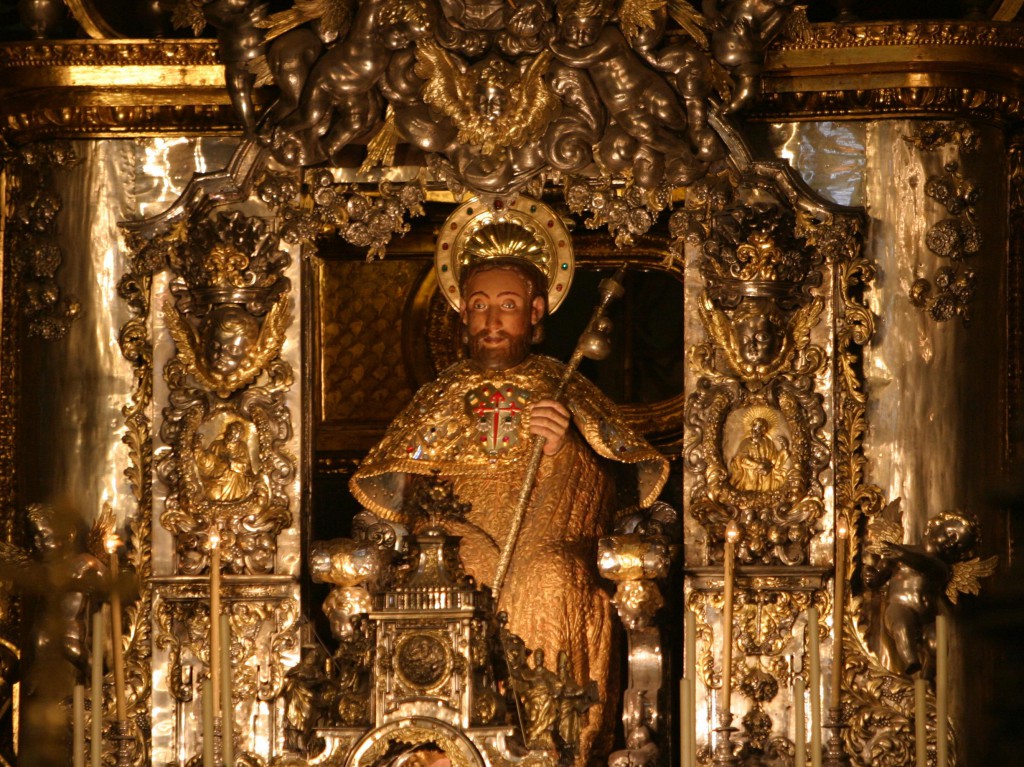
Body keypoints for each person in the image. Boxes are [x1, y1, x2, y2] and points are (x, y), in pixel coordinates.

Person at [350, 256, 668, 760]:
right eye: (479, 306)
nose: (492, 321)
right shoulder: (440, 396)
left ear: (535, 312)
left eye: (508, 305)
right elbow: (400, 490)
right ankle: (444, 741)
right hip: (453, 540)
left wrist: (565, 448)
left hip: (544, 535)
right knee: (449, 572)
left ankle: (548, 742)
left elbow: (612, 485)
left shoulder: (563, 386)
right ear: (463, 314)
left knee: (551, 575)